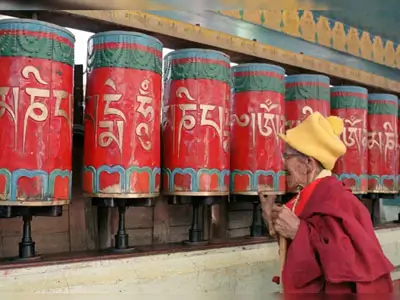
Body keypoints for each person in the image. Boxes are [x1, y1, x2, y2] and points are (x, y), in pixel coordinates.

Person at [259, 112, 394, 294]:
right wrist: (270, 218)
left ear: (308, 163)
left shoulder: (336, 199)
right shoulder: (306, 197)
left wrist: (299, 230)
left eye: (287, 157)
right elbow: (303, 250)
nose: (282, 164)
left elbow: (345, 261)